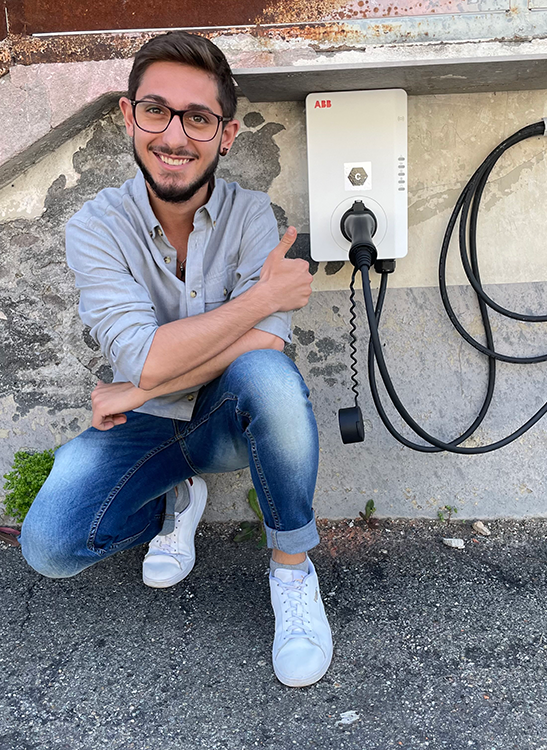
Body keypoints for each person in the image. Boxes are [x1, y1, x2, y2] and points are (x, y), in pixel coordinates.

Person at [19, 31, 333, 688]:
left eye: (197, 118)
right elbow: (144, 356)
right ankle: (174, 497)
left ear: (226, 134)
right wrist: (261, 299)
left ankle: (292, 571)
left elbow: (264, 346)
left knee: (270, 379)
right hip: (144, 426)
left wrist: (137, 387)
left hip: (221, 418)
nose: (174, 136)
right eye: (156, 110)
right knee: (50, 544)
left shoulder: (252, 217)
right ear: (129, 117)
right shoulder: (96, 227)